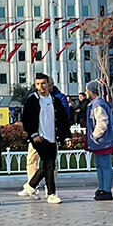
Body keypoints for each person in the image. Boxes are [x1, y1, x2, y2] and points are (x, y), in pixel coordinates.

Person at [19, 74, 71, 204]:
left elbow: (63, 120)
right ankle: (51, 193)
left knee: (49, 165)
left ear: (49, 84)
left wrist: (67, 136)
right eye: (38, 84)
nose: (41, 87)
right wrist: (33, 135)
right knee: (49, 164)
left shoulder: (55, 101)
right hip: (39, 138)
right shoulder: (32, 101)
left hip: (53, 138)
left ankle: (31, 185)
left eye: (43, 83)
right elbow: (26, 120)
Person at [86, 80, 113, 200]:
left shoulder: (98, 104)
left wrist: (95, 136)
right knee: (99, 165)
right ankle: (101, 188)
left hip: (103, 141)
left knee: (105, 165)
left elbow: (102, 122)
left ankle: (107, 190)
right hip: (100, 142)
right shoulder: (99, 102)